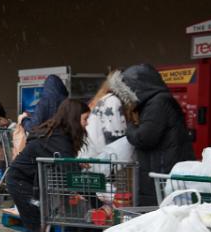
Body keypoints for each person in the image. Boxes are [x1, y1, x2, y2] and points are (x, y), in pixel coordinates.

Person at [6, 99, 90, 232]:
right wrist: (89, 195)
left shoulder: (58, 135)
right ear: (74, 119)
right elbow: (69, 174)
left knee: (39, 227)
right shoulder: (60, 140)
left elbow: (63, 164)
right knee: (36, 228)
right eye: (85, 119)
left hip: (27, 181)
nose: (87, 124)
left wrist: (75, 166)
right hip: (22, 182)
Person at [114, 64, 195, 206]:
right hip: (162, 167)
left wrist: (130, 127)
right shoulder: (158, 101)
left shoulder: (157, 103)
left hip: (162, 169)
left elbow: (144, 137)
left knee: (159, 212)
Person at [79, 71, 133, 159]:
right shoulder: (113, 101)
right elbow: (115, 134)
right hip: (102, 157)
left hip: (91, 154)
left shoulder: (101, 100)